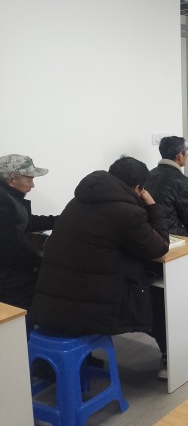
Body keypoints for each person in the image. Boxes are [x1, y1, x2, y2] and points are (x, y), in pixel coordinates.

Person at [30, 156, 171, 378]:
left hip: (54, 299)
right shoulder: (128, 212)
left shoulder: (77, 201)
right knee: (160, 299)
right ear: (139, 188)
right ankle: (170, 358)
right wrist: (153, 207)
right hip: (87, 306)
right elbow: (159, 247)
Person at [0, 154, 57, 311]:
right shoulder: (2, 201)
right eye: (29, 179)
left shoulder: (9, 198)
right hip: (8, 281)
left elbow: (24, 221)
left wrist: (59, 220)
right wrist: (39, 266)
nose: (33, 185)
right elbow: (9, 246)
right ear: (12, 180)